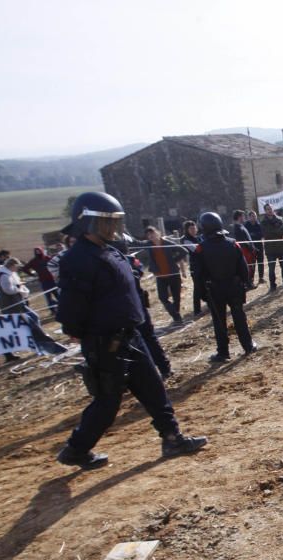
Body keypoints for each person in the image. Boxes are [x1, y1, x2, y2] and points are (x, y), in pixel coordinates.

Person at [55, 192, 206, 470]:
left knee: (154, 389)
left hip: (131, 337)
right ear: (90, 223)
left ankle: (172, 437)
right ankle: (75, 449)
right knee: (108, 403)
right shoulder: (77, 260)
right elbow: (70, 311)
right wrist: (85, 333)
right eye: (107, 222)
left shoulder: (111, 250)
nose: (114, 228)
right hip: (104, 344)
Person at [194, 212, 258, 362]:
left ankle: (223, 352)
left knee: (219, 321)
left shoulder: (201, 249)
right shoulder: (232, 243)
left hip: (215, 290)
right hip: (233, 287)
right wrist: (244, 282)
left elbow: (197, 275)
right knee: (239, 317)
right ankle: (248, 346)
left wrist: (201, 294)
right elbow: (243, 267)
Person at [110, 233, 171, 378]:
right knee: (140, 341)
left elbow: (138, 272)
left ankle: (162, 368)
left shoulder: (126, 262)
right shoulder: (126, 261)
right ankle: (160, 369)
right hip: (131, 308)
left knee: (144, 339)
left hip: (131, 308)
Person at [0, 257, 67, 363]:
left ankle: (40, 341)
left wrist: (20, 288)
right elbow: (8, 290)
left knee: (33, 317)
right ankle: (9, 354)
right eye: (16, 267)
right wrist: (18, 286)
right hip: (11, 304)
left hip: (18, 302)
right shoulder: (4, 275)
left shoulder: (10, 274)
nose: (17, 269)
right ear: (12, 265)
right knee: (14, 327)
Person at [137, 225, 187, 325]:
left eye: (153, 234)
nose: (151, 236)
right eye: (149, 235)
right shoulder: (149, 245)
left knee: (176, 297)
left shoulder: (167, 243)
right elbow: (136, 243)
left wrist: (174, 261)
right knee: (162, 297)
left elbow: (183, 251)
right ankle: (176, 315)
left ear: (158, 233)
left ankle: (177, 318)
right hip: (160, 276)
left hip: (173, 274)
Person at [180, 220, 208, 315]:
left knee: (206, 285)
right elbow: (196, 250)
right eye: (191, 229)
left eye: (194, 228)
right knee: (198, 288)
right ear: (187, 230)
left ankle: (209, 302)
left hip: (204, 265)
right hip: (196, 267)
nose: (193, 230)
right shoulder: (185, 239)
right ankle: (197, 310)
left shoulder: (199, 237)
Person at [260, 204, 283, 291]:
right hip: (270, 249)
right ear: (265, 211)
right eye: (267, 209)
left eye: (271, 209)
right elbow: (266, 234)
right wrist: (277, 231)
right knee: (271, 268)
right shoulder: (263, 222)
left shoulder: (279, 220)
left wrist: (274, 232)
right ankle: (273, 286)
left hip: (280, 247)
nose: (269, 210)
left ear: (273, 209)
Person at [21, 246, 59, 314]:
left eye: (39, 251)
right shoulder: (34, 261)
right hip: (44, 281)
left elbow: (55, 264)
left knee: (58, 295)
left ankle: (62, 307)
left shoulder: (47, 258)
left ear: (41, 251)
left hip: (52, 279)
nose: (38, 252)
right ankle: (53, 310)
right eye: (36, 251)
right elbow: (24, 268)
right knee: (48, 297)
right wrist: (32, 274)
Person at [230, 210, 259, 288]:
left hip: (249, 249)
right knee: (248, 267)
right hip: (245, 251)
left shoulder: (241, 226)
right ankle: (248, 283)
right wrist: (251, 248)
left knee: (251, 267)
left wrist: (253, 247)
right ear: (239, 217)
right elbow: (242, 241)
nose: (244, 218)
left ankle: (250, 282)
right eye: (243, 216)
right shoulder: (237, 228)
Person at [244, 210, 265, 283]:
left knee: (261, 262)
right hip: (250, 247)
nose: (254, 217)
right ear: (249, 217)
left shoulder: (259, 224)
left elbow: (262, 234)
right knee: (252, 263)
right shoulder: (246, 225)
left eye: (255, 216)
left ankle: (261, 278)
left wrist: (253, 235)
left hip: (259, 246)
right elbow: (247, 236)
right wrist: (255, 235)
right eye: (253, 216)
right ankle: (251, 279)